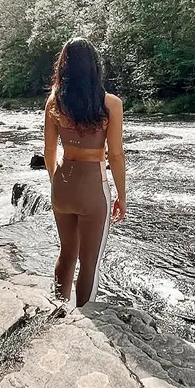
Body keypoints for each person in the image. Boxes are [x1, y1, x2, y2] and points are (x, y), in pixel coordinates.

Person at [43, 37, 126, 307]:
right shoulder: (110, 104)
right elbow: (115, 154)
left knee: (67, 253)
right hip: (93, 188)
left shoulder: (54, 102)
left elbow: (49, 152)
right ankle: (82, 321)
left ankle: (57, 309)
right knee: (90, 262)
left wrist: (56, 181)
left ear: (64, 67)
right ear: (94, 66)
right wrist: (121, 196)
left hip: (63, 185)